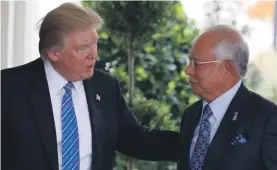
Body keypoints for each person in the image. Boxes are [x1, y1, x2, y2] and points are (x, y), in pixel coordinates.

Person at [1, 3, 179, 170]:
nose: (94, 55)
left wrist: (193, 143)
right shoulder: (9, 87)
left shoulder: (105, 86)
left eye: (95, 42)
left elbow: (133, 138)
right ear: (54, 53)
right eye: (83, 48)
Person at [177, 25, 277, 170]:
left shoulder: (267, 117)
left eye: (196, 63)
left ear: (226, 69)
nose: (188, 70)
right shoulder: (191, 114)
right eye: (189, 62)